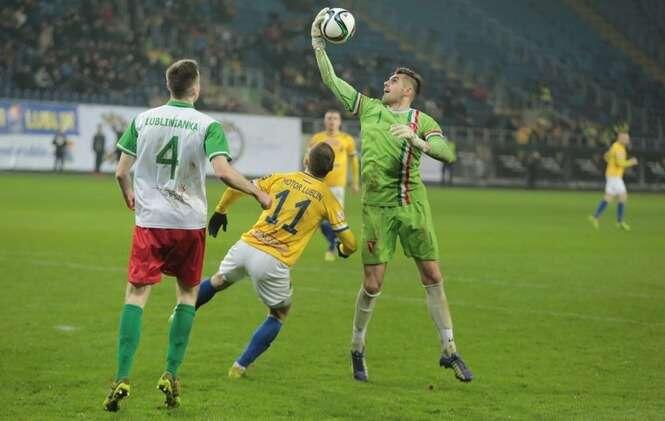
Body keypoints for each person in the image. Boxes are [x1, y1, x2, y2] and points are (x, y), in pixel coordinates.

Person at [310, 8, 472, 383]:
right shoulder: (369, 109)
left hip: (413, 204)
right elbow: (332, 80)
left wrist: (419, 142)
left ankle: (449, 349)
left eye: (394, 80)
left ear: (407, 91)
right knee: (373, 284)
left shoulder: (422, 121)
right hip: (376, 209)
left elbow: (448, 153)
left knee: (432, 274)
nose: (387, 82)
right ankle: (357, 347)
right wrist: (318, 44)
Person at [103, 59, 271, 412]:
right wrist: (257, 191)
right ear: (195, 87)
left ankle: (121, 378)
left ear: (170, 86)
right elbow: (223, 172)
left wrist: (129, 194)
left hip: (150, 222)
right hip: (188, 224)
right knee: (187, 295)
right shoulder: (208, 125)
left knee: (136, 295)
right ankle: (170, 374)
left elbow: (120, 172)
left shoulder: (142, 120)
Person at [197, 142, 357, 378]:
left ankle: (181, 311)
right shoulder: (328, 198)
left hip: (246, 245)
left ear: (306, 160)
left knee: (218, 280)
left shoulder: (281, 177)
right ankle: (239, 367)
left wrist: (221, 210)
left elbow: (238, 187)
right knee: (279, 313)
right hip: (273, 260)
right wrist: (343, 249)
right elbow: (351, 243)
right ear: (331, 169)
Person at [306, 109, 359, 261]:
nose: (332, 121)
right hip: (319, 184)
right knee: (318, 220)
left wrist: (355, 182)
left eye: (335, 118)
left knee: (334, 219)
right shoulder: (317, 138)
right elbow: (307, 158)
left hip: (337, 186)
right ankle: (334, 243)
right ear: (324, 121)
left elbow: (354, 160)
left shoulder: (347, 139)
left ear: (340, 122)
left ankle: (332, 246)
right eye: (329, 118)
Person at [588, 125, 638, 230]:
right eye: (626, 138)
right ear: (620, 138)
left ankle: (595, 217)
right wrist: (631, 162)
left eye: (628, 138)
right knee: (622, 196)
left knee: (609, 197)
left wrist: (611, 162)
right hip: (615, 177)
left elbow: (606, 156)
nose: (628, 140)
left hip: (611, 175)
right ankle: (619, 221)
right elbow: (620, 163)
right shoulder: (619, 149)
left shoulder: (615, 146)